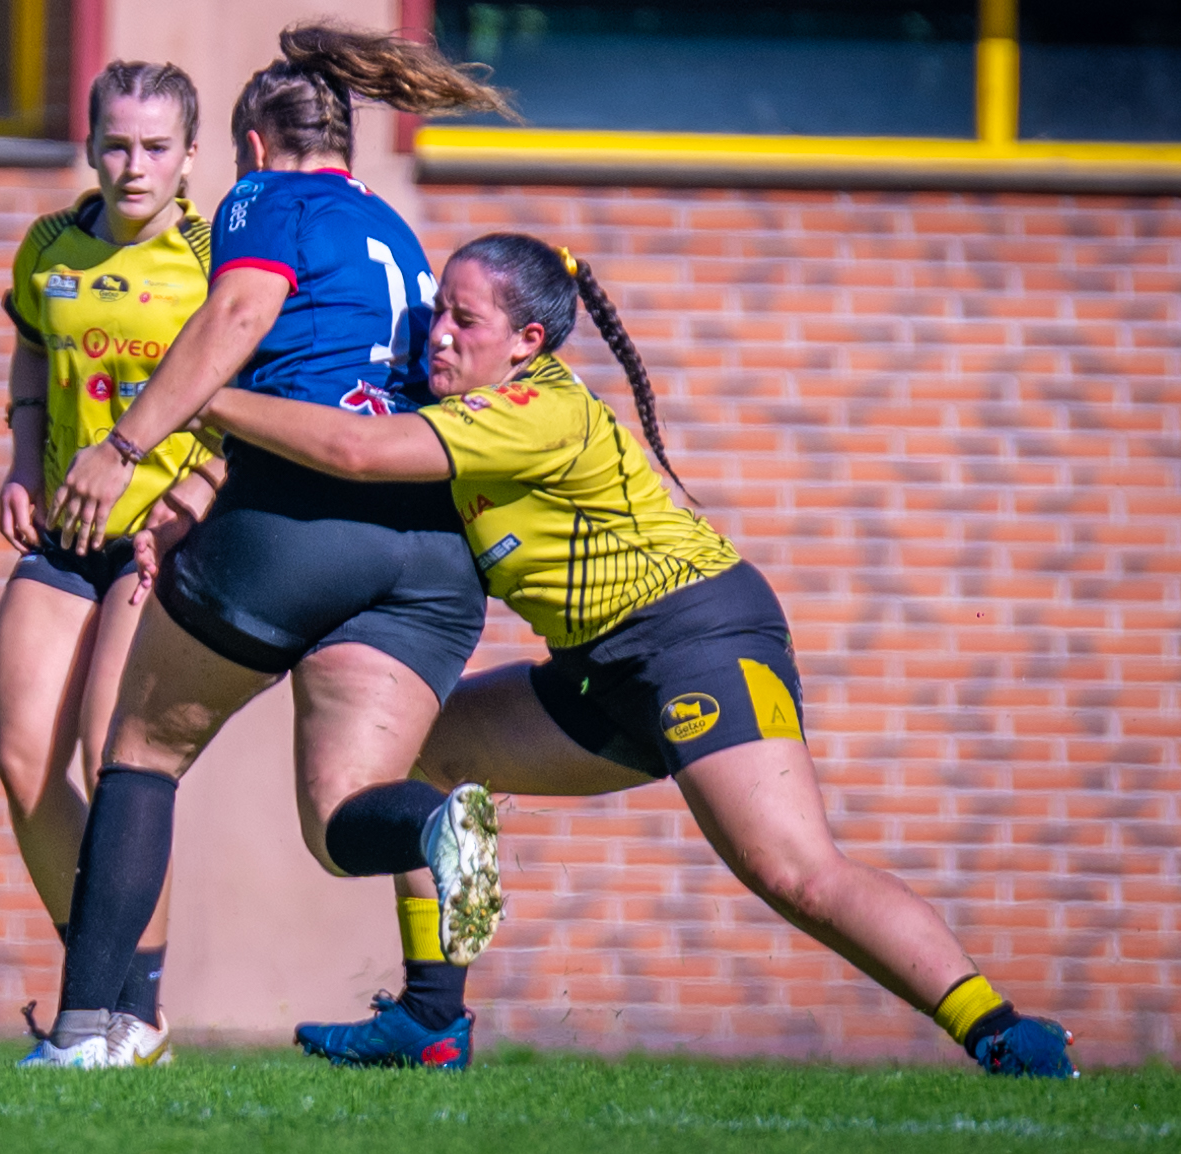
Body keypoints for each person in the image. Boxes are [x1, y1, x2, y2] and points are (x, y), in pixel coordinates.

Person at [204, 232, 1078, 1079]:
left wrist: (198, 390)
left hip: (699, 638)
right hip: (599, 665)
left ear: (526, 343)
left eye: (464, 321)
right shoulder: (463, 403)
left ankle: (1000, 1030)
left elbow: (354, 449)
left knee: (794, 872)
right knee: (433, 755)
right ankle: (432, 1019)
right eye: (437, 311)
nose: (437, 333)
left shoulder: (535, 409)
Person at [22, 24, 511, 1069]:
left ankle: (84, 1033)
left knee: (138, 754)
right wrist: (195, 477)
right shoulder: (390, 225)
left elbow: (241, 312)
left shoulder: (263, 198)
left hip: (300, 524)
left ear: (247, 141)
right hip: (426, 554)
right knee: (344, 813)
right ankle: (432, 862)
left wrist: (124, 445)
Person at [0, 62, 222, 1067]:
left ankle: (138, 1011)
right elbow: (29, 354)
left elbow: (249, 401)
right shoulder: (48, 244)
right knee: (20, 763)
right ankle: (111, 987)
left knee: (115, 763)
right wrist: (16, 457)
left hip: (151, 545)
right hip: (58, 541)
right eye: (117, 143)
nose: (134, 165)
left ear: (189, 155)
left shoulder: (216, 257)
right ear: (90, 144)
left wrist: (191, 500)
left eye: (155, 147)